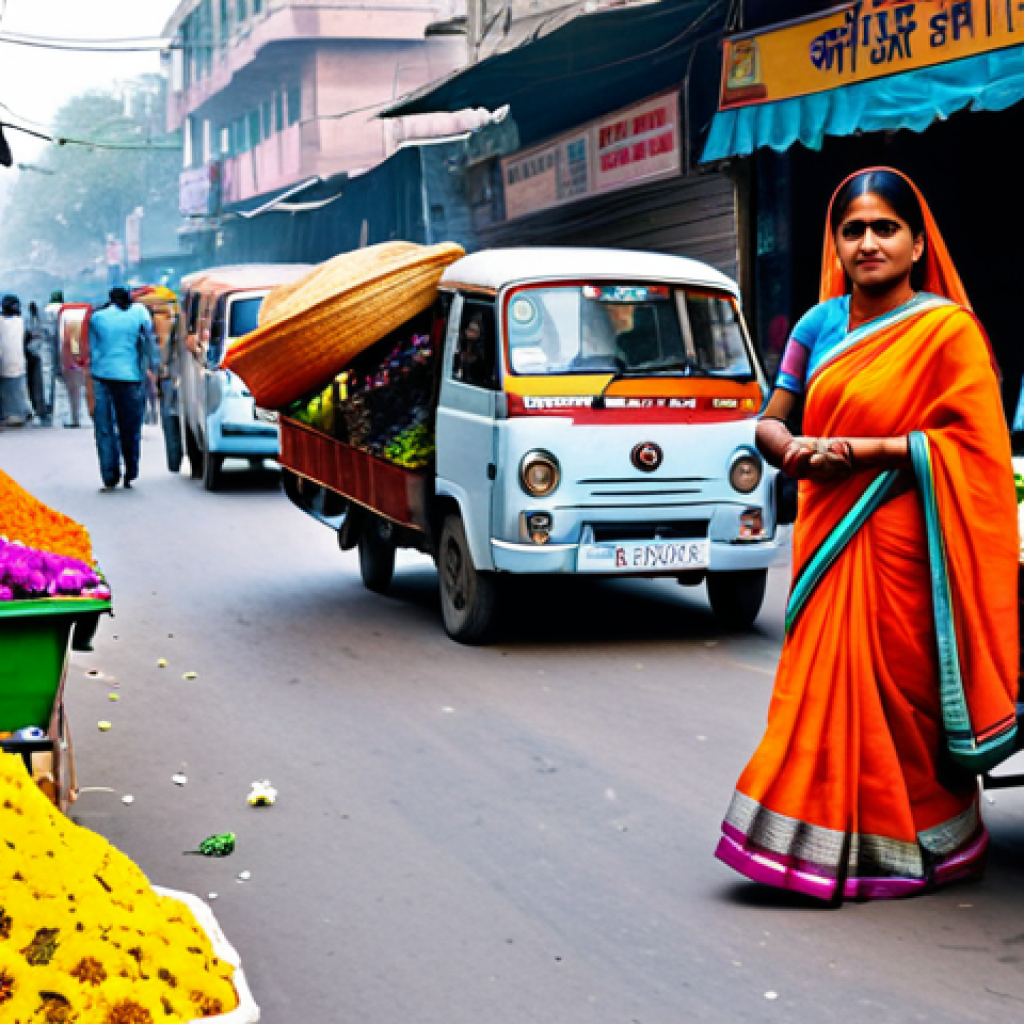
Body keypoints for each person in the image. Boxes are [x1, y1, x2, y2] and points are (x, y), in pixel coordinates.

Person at [715, 168, 1019, 903]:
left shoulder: (945, 330)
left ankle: (923, 840)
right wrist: (786, 449)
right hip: (828, 541)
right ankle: (803, 837)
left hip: (909, 549)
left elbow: (972, 448)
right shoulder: (817, 327)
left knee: (901, 699)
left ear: (917, 243)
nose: (868, 243)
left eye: (885, 228)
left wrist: (865, 450)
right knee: (817, 688)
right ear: (837, 243)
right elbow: (773, 416)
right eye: (853, 230)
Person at [86, 287, 160, 491]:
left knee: (105, 428)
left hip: (102, 378)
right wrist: (154, 368)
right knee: (130, 428)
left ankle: (109, 475)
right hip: (131, 378)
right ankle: (131, 470)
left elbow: (92, 350)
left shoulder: (97, 317)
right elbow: (149, 344)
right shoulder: (140, 312)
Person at [0, 294, 33, 427]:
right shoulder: (21, 321)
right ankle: (24, 411)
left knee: (8, 390)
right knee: (18, 389)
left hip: (4, 363)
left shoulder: (2, 321)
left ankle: (13, 415)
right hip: (18, 362)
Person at [24, 301, 49, 424]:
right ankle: (40, 411)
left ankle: (38, 411)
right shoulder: (36, 323)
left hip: (29, 357)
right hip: (33, 357)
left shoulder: (27, 322)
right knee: (36, 386)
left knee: (33, 386)